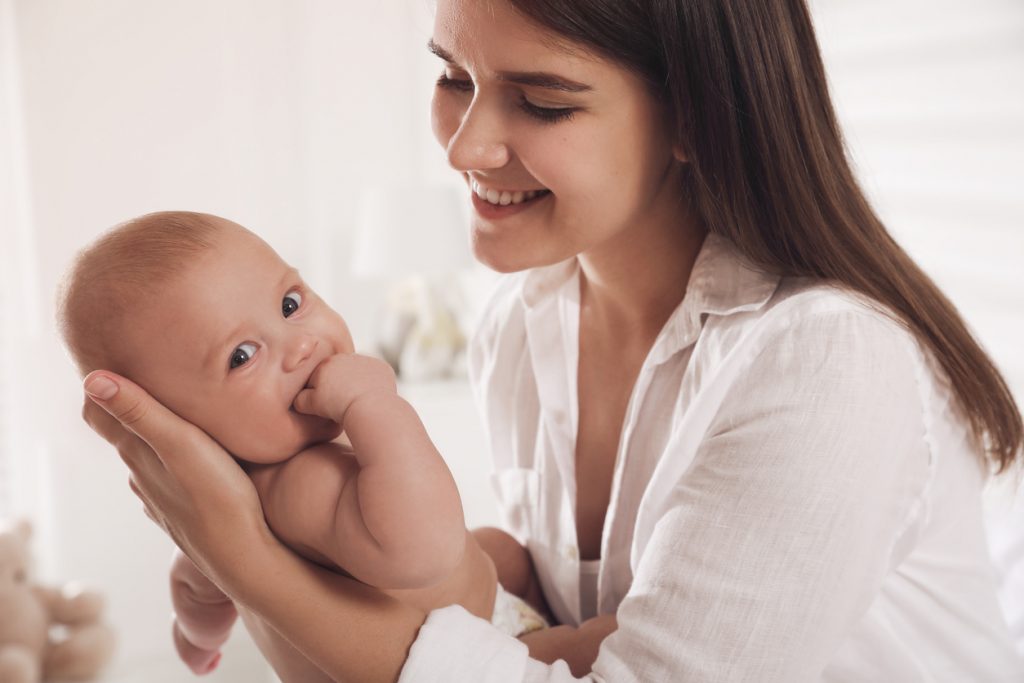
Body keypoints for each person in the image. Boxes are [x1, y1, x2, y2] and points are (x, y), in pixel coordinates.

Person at [79, 0, 1024, 680]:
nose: (463, 147)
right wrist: (462, 569)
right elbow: (561, 587)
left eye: (542, 101)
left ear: (696, 117)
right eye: (453, 77)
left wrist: (245, 561)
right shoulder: (524, 325)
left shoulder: (825, 364)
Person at [57, 212, 550, 681]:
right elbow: (430, 551)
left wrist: (197, 639)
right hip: (480, 648)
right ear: (174, 425)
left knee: (502, 550)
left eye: (290, 304)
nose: (301, 345)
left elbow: (194, 585)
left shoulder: (215, 527)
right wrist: (376, 406)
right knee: (590, 642)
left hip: (460, 614)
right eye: (242, 356)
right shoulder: (305, 484)